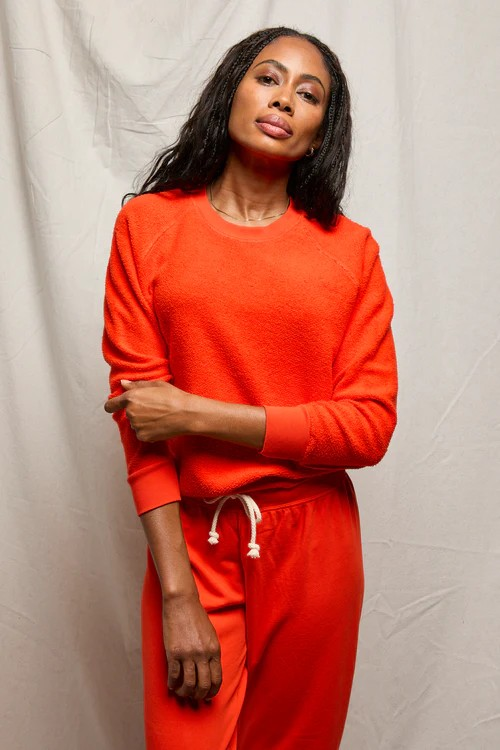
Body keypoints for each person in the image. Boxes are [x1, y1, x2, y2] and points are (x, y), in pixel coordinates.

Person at [102, 25, 397, 750]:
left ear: (322, 130)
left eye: (309, 94)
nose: (284, 100)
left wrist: (198, 413)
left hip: (314, 545)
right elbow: (141, 428)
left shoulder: (350, 252)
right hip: (192, 543)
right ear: (230, 90)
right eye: (268, 78)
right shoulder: (148, 226)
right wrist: (177, 595)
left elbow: (368, 428)